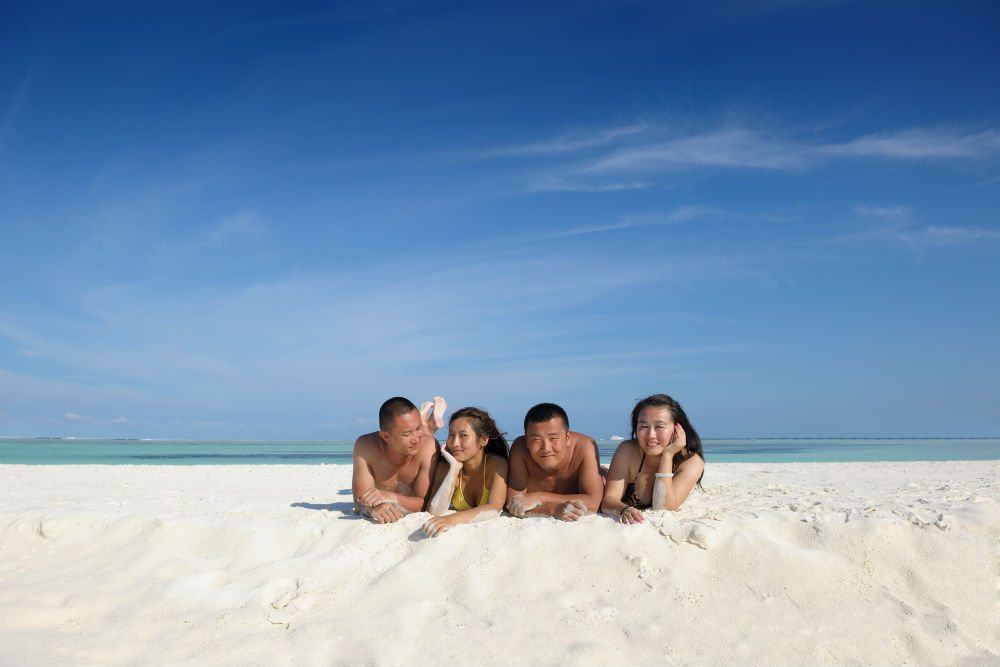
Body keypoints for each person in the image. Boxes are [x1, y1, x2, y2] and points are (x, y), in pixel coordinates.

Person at [600, 394, 705, 524]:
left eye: (659, 427)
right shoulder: (628, 450)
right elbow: (608, 500)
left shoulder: (691, 462)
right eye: (644, 427)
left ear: (677, 428)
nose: (651, 435)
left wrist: (667, 455)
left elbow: (662, 507)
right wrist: (624, 509)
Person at [351, 396, 444, 524]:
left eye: (419, 428)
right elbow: (360, 501)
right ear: (386, 436)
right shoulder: (366, 446)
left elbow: (423, 503)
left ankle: (429, 424)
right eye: (407, 434)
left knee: (428, 436)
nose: (416, 439)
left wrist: (391, 498)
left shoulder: (429, 447)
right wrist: (375, 508)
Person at [505, 403, 604, 521]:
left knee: (605, 478)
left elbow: (593, 502)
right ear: (527, 441)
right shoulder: (520, 449)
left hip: (597, 479)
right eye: (536, 440)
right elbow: (513, 503)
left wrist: (539, 497)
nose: (546, 448)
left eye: (553, 438)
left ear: (567, 437)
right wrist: (553, 509)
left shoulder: (584, 446)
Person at [421, 407, 509, 537]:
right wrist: (453, 470)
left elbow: (494, 508)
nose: (455, 443)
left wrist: (452, 519)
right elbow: (435, 511)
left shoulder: (497, 464)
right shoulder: (446, 466)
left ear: (483, 440)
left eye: (463, 436)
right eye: (451, 435)